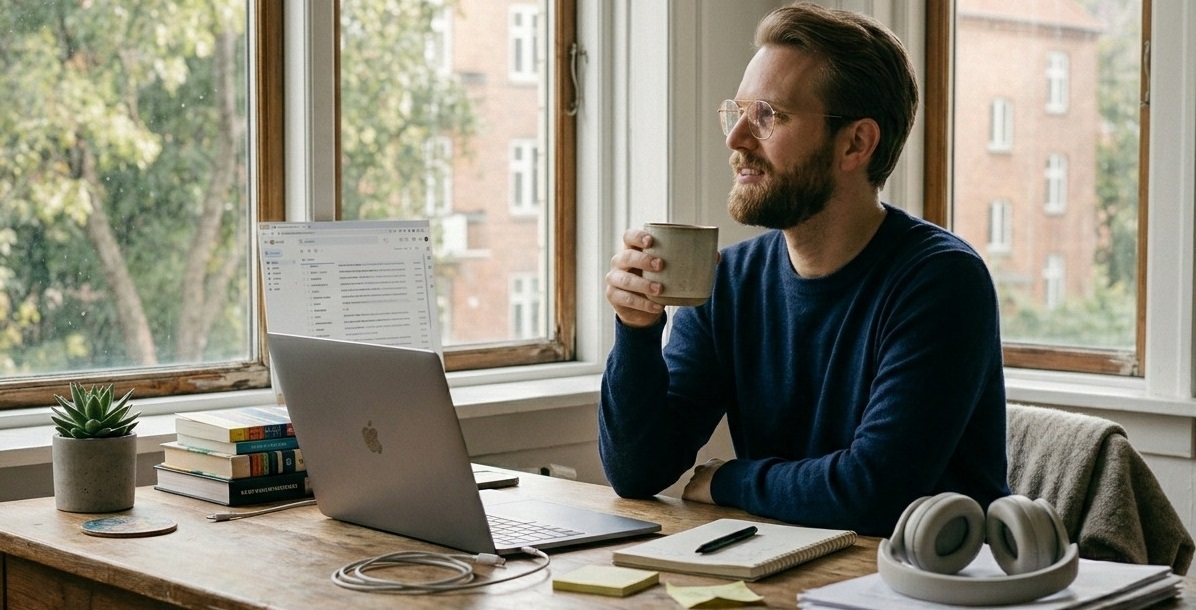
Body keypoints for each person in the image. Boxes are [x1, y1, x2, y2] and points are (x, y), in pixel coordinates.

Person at [599, 1, 1010, 537]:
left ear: (856, 143)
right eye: (737, 112)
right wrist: (636, 330)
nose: (736, 138)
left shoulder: (942, 281)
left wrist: (729, 481)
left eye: (768, 115)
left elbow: (876, 494)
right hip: (789, 570)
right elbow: (637, 471)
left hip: (931, 585)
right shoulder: (730, 281)